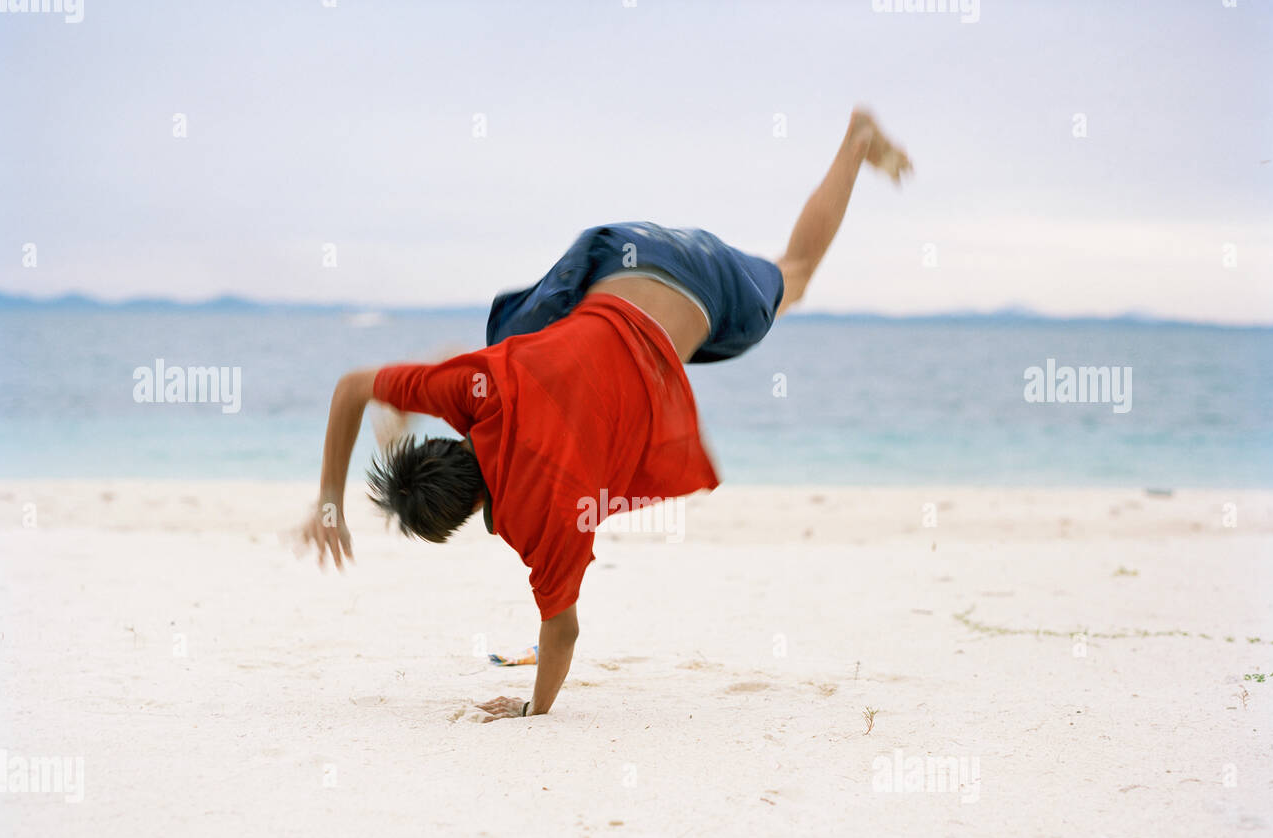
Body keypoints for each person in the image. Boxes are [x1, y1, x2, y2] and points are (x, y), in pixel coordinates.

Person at [298, 108, 911, 721]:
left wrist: (529, 713)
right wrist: (330, 500)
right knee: (512, 345)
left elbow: (562, 634)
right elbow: (353, 387)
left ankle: (855, 143)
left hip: (700, 298)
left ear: (474, 515)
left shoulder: (541, 526)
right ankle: (419, 391)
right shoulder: (476, 394)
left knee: (795, 276)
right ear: (451, 444)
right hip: (617, 255)